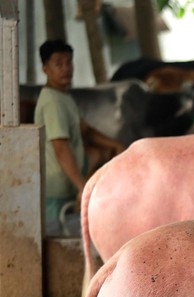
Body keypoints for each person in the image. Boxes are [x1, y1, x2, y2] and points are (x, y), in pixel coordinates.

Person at [34, 39, 124, 236]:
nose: (66, 68)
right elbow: (60, 147)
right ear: (45, 69)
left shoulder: (64, 97)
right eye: (58, 64)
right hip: (58, 190)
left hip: (69, 184)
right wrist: (81, 186)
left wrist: (116, 145)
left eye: (69, 62)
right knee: (60, 238)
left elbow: (87, 131)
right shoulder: (52, 102)